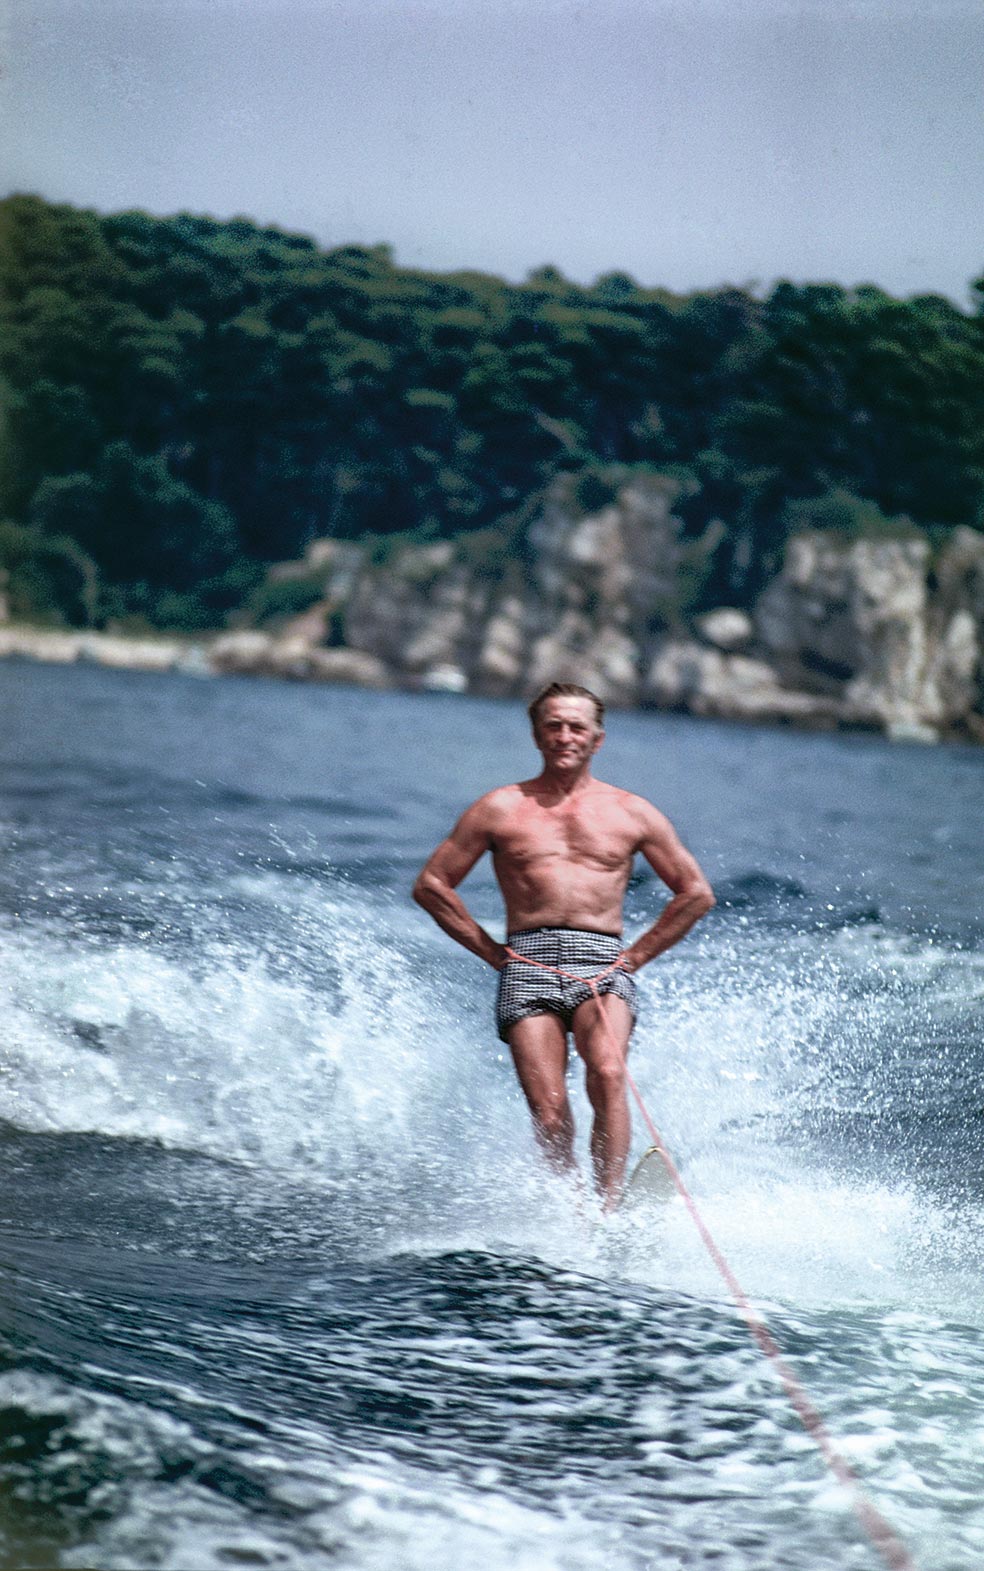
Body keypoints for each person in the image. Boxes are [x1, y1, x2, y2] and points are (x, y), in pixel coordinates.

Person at [412, 681, 715, 1208]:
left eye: (576, 726)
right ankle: (568, 1206)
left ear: (597, 739)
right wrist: (492, 953)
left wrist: (635, 958)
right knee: (550, 1110)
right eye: (553, 725)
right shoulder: (499, 808)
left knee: (608, 1072)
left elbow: (695, 894)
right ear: (536, 734)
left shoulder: (633, 813)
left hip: (602, 963)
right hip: (526, 962)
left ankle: (610, 1203)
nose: (564, 735)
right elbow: (432, 886)